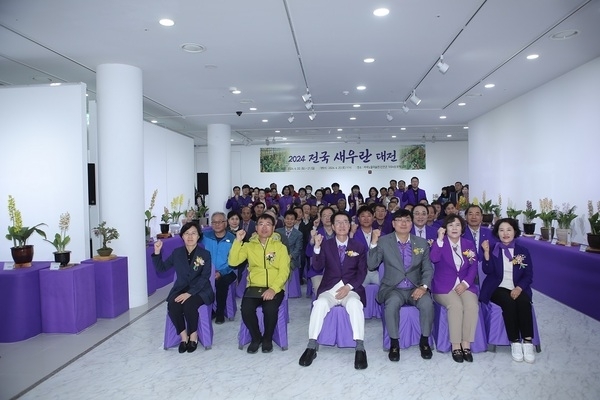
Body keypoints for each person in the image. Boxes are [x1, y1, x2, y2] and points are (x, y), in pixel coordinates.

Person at [299, 211, 368, 369]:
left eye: (345, 222)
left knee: (355, 305)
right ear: (333, 225)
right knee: (320, 304)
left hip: (350, 288)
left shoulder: (358, 246)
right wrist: (316, 247)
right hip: (330, 288)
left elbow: (362, 272)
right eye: (338, 222)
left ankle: (359, 347)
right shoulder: (326, 244)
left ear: (350, 225)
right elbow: (317, 267)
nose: (342, 225)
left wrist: (349, 287)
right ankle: (311, 345)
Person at [367, 209, 434, 362]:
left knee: (427, 304)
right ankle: (394, 343)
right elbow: (371, 265)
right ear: (393, 223)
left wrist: (423, 287)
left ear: (412, 223)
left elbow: (428, 269)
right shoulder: (384, 241)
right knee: (391, 306)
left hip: (415, 287)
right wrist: (373, 243)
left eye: (407, 220)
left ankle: (424, 341)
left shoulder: (421, 243)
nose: (403, 223)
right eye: (399, 220)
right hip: (393, 288)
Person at [228, 214, 290, 354]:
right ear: (256, 228)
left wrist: (273, 289)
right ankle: (256, 337)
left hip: (275, 287)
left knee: (269, 309)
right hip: (254, 287)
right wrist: (238, 241)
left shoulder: (280, 247)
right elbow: (233, 262)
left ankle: (267, 338)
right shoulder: (249, 246)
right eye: (261, 224)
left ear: (274, 228)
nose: (264, 227)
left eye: (268, 224)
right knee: (246, 309)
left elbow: (284, 271)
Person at [152, 222, 214, 353]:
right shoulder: (177, 253)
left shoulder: (205, 254)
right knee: (173, 304)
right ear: (182, 236)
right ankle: (183, 337)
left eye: (193, 233)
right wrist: (157, 252)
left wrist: (189, 293)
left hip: (201, 290)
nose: (190, 236)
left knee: (189, 305)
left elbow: (204, 278)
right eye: (186, 233)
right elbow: (161, 268)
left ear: (199, 236)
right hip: (181, 288)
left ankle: (193, 336)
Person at [480, 218, 536, 363]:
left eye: (509, 230)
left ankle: (528, 342)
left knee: (524, 302)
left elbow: (528, 275)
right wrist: (486, 254)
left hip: (518, 286)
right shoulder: (493, 249)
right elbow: (488, 270)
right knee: (508, 303)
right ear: (497, 233)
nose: (505, 233)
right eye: (501, 230)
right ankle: (515, 342)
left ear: (515, 232)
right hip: (497, 287)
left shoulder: (523, 251)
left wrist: (519, 288)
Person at [429, 215, 479, 363]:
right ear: (445, 229)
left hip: (465, 285)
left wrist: (465, 283)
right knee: (456, 306)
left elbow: (474, 266)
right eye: (451, 225)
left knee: (471, 305)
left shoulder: (468, 243)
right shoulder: (440, 243)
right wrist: (439, 239)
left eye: (457, 225)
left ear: (462, 228)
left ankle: (466, 344)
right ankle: (455, 345)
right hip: (443, 286)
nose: (454, 228)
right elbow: (434, 258)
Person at [202, 212, 236, 324]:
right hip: (208, 270)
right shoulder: (206, 236)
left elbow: (234, 262)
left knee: (221, 283)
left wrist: (221, 272)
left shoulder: (233, 239)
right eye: (214, 222)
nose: (217, 225)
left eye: (220, 222)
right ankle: (210, 309)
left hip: (228, 271)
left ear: (225, 223)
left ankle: (220, 312)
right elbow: (189, 236)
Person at [306, 206, 336, 295]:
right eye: (324, 216)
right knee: (320, 290)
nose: (327, 218)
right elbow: (308, 253)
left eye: (330, 215)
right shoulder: (316, 233)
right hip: (319, 271)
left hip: (337, 271)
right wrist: (312, 240)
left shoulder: (340, 232)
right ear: (321, 219)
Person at [350, 205, 379, 286]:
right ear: (358, 219)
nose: (366, 219)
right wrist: (351, 234)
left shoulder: (380, 234)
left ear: (373, 217)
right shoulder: (353, 235)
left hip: (376, 271)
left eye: (369, 216)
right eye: (363, 216)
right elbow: (349, 252)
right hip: (359, 271)